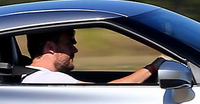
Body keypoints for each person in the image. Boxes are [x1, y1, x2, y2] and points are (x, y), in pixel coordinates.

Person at [21, 29, 163, 84]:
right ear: (51, 48)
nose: (75, 50)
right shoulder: (48, 79)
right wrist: (154, 66)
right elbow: (108, 93)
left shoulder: (34, 77)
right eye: (69, 44)